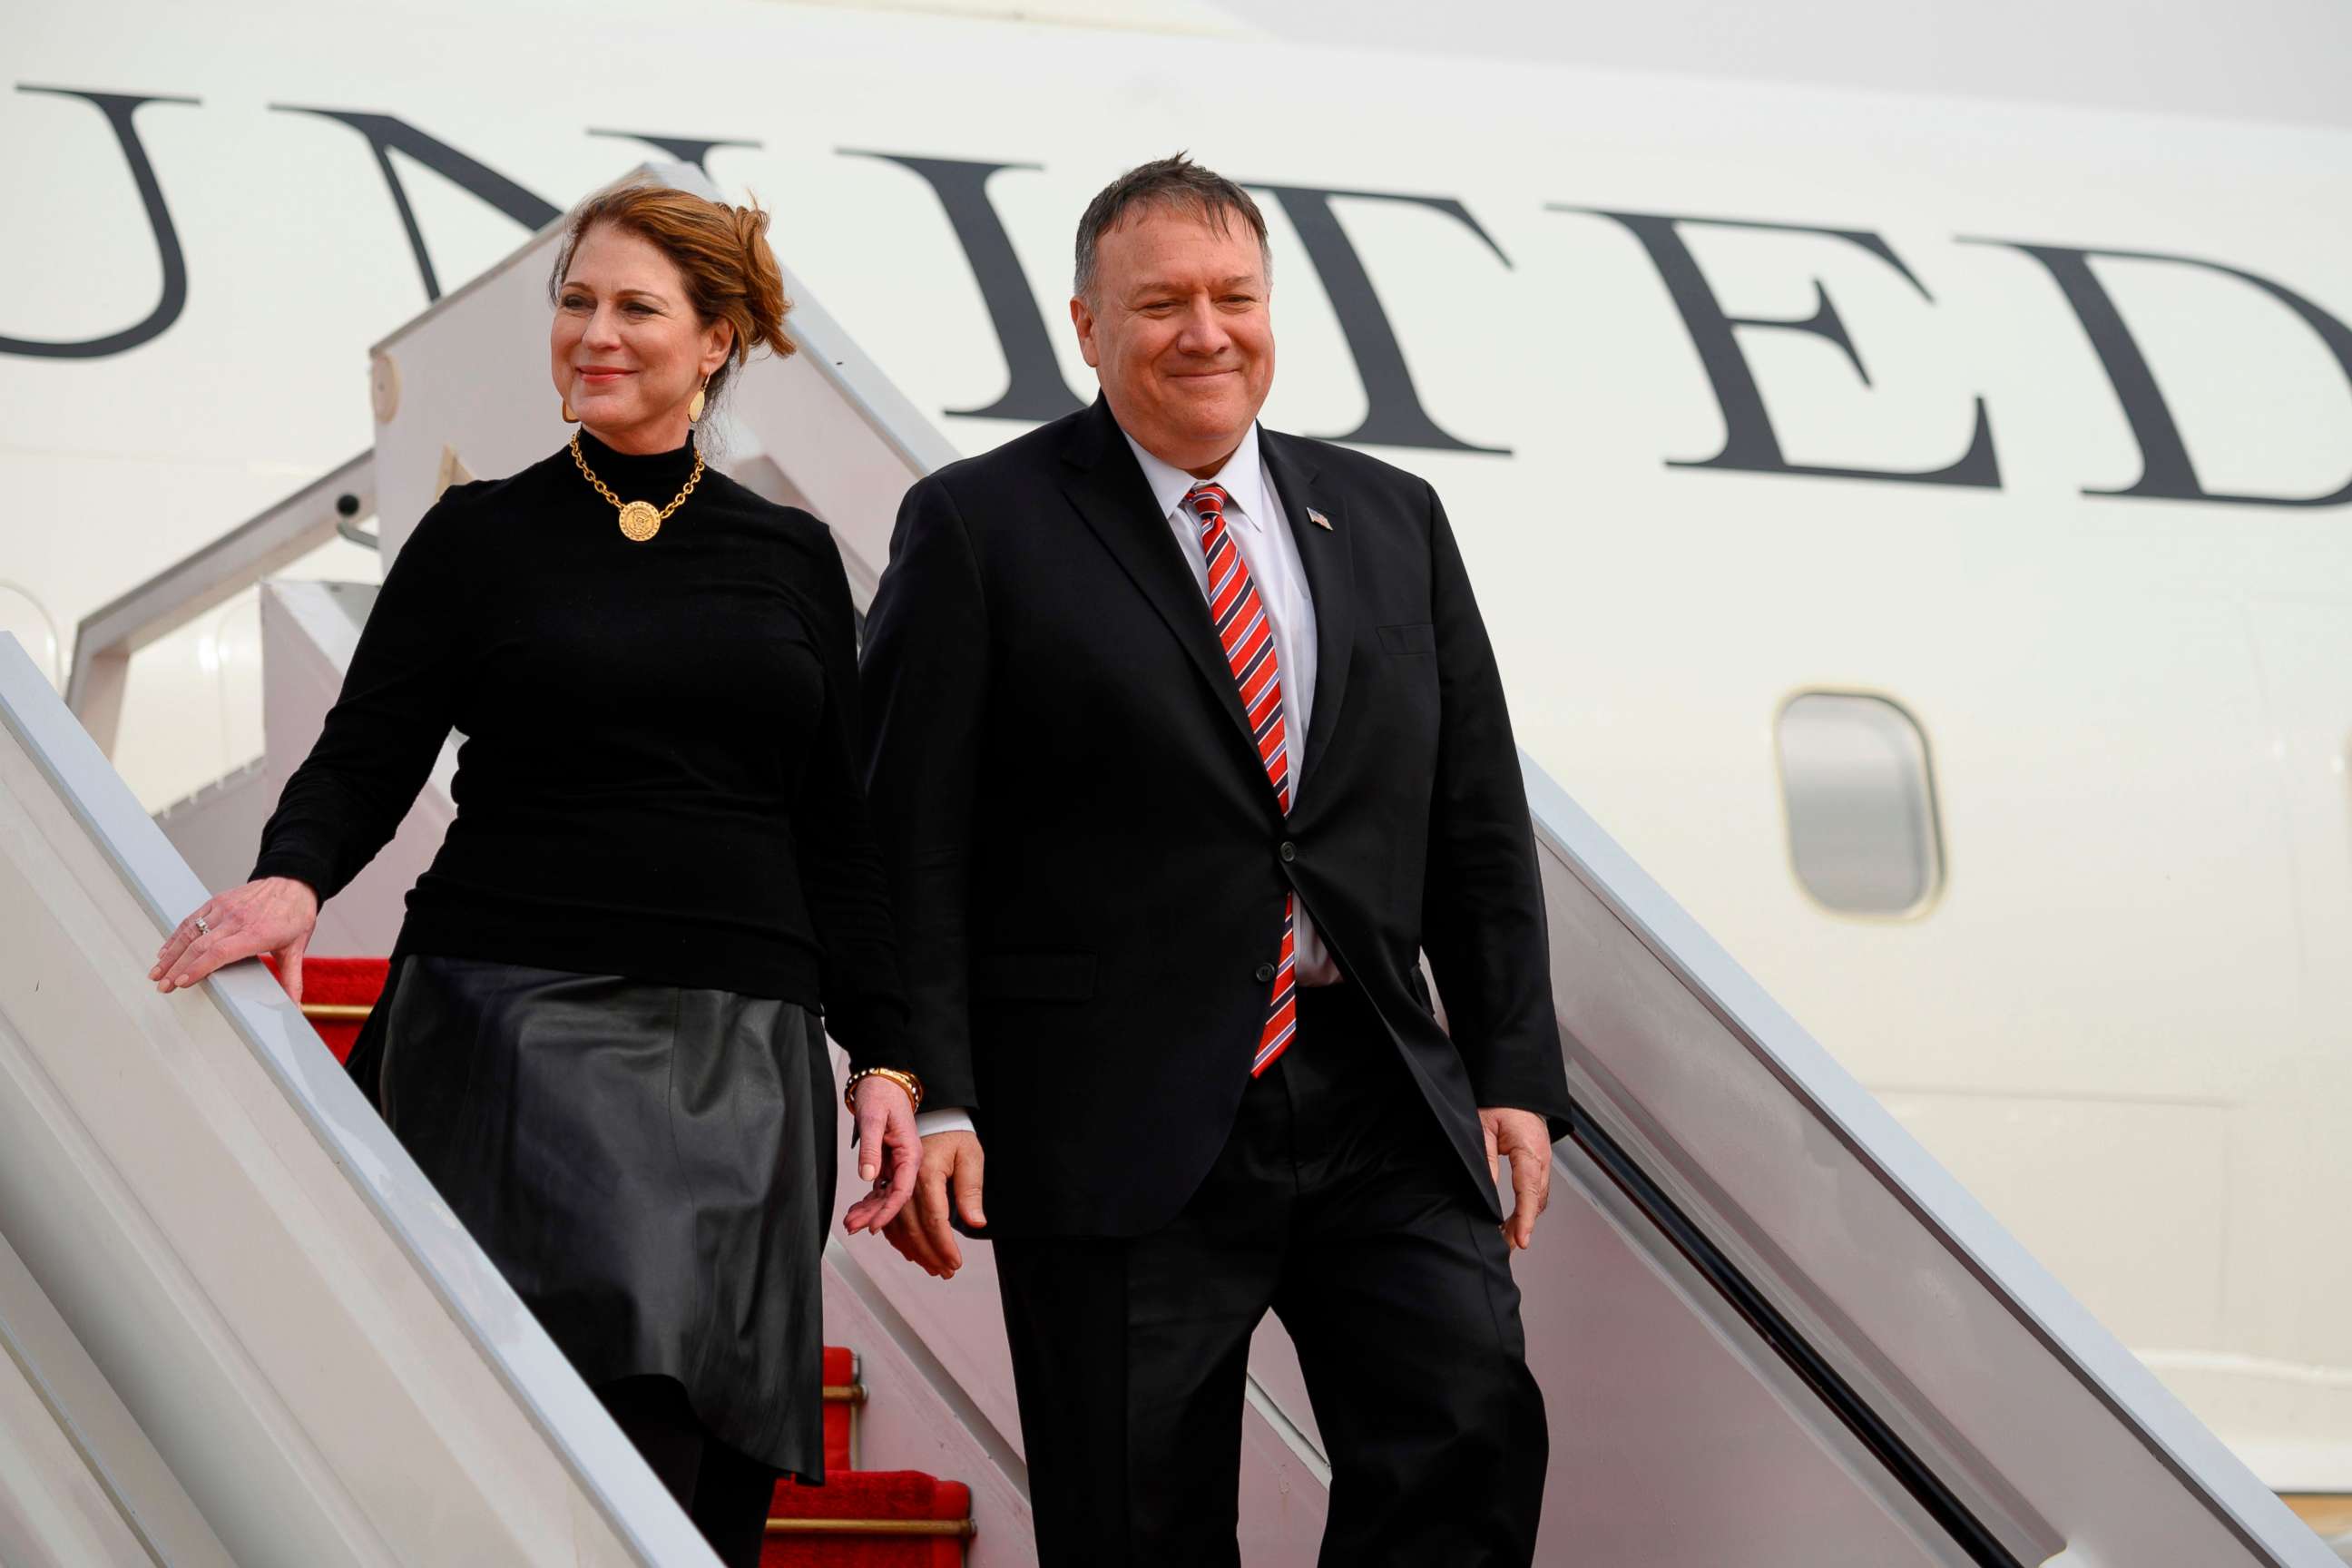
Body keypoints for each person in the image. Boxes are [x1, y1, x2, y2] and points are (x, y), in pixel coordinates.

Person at [145, 179, 926, 1568]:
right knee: (531, 1434)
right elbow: (369, 749)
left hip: (743, 1054)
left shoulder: (792, 558)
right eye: (576, 303)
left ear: (718, 338)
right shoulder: (480, 535)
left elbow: (839, 832)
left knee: (704, 1459)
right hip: (506, 1027)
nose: (594, 335)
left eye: (636, 308)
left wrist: (892, 1059)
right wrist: (292, 880)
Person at [858, 155, 1572, 1565]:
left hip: (1370, 1083)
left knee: (1466, 1428)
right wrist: (935, 1094)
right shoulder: (981, 526)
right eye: (1162, 302)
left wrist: (1513, 1073)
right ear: (1084, 325)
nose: (1205, 331)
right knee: (1136, 1512)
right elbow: (906, 840)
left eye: (1234, 296)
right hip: (1115, 1111)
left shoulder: (1388, 518)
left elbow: (1472, 817)